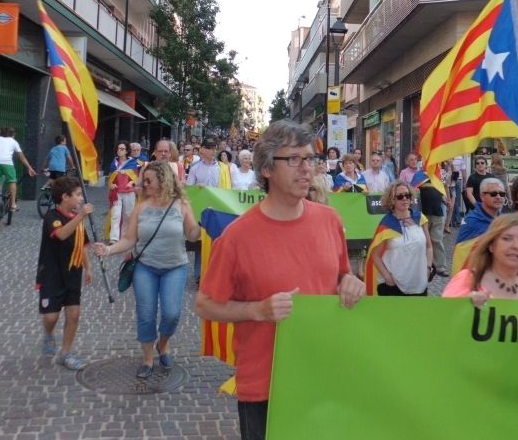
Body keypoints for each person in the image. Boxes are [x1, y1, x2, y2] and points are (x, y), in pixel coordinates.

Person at [195, 120, 365, 440]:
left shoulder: (330, 221)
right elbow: (204, 305)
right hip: (264, 387)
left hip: (324, 377)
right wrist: (257, 310)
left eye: (311, 159)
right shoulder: (236, 237)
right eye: (295, 159)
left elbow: (344, 275)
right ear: (267, 169)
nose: (307, 169)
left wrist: (351, 283)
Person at [94, 161, 201, 378]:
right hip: (146, 268)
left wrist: (200, 226)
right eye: (144, 180)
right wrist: (108, 249)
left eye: (148, 180)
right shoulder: (141, 207)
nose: (144, 184)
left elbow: (191, 235)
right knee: (146, 314)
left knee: (171, 313)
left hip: (175, 267)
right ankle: (147, 358)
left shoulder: (181, 204)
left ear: (163, 181)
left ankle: (163, 344)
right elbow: (129, 240)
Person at [444, 214, 518, 309]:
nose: (516, 246)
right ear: (491, 245)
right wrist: (462, 307)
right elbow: (440, 321)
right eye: (507, 239)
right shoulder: (467, 279)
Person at [37, 176, 93, 370]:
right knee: (51, 316)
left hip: (72, 273)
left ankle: (65, 353)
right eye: (77, 195)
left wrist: (88, 267)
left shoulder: (78, 219)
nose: (80, 199)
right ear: (64, 197)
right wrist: (80, 217)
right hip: (52, 273)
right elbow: (61, 235)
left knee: (74, 314)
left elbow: (82, 244)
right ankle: (49, 333)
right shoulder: (52, 217)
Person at [368, 182, 432, 296]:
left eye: (407, 195)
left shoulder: (420, 218)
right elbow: (375, 255)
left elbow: (429, 246)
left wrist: (428, 269)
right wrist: (388, 278)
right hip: (393, 287)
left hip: (419, 283)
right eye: (400, 196)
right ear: (392, 200)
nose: (405, 199)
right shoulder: (386, 224)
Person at [451, 177, 506, 274]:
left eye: (502, 194)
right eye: (493, 194)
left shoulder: (504, 220)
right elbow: (461, 252)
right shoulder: (471, 221)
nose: (498, 197)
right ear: (482, 196)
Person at [0, 126, 37, 214]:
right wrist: (29, 167)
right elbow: (21, 156)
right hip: (7, 163)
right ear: (13, 134)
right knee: (12, 181)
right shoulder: (13, 141)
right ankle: (13, 204)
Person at [107, 141, 139, 244]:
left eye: (122, 149)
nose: (119, 151)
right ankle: (114, 238)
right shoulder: (114, 163)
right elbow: (110, 177)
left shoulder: (133, 163)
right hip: (116, 192)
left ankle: (125, 236)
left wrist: (132, 183)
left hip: (129, 192)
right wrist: (111, 184)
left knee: (128, 215)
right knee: (115, 215)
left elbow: (137, 178)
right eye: (118, 149)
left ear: (126, 151)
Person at [418, 175, 448, 277]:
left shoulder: (438, 177)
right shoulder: (419, 176)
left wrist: (446, 199)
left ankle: (440, 266)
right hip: (423, 214)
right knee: (423, 240)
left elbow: (444, 192)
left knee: (437, 240)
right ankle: (422, 265)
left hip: (437, 212)